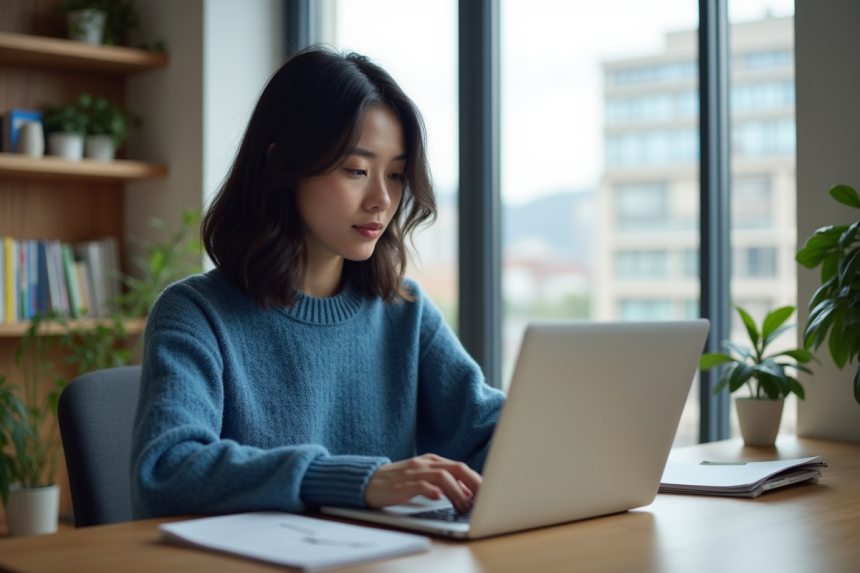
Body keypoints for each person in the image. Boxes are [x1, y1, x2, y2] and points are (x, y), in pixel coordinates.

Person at [130, 47, 506, 520]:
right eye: (357, 170)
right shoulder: (195, 313)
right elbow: (166, 470)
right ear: (282, 164)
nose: (383, 200)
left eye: (394, 174)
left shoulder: (404, 312)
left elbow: (493, 432)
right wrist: (359, 481)